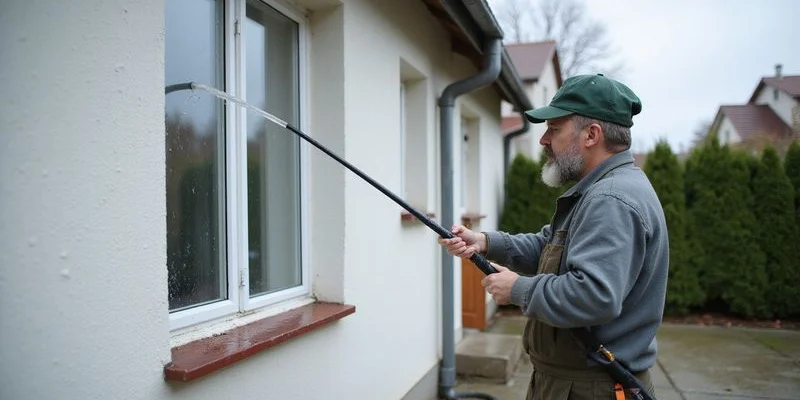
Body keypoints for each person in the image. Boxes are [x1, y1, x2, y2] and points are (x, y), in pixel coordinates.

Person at [439, 74, 668, 400]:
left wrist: (516, 288)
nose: (544, 139)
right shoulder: (600, 190)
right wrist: (486, 242)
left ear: (592, 135)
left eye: (554, 129)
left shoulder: (611, 199)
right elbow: (550, 246)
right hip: (576, 382)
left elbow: (593, 295)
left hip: (591, 388)